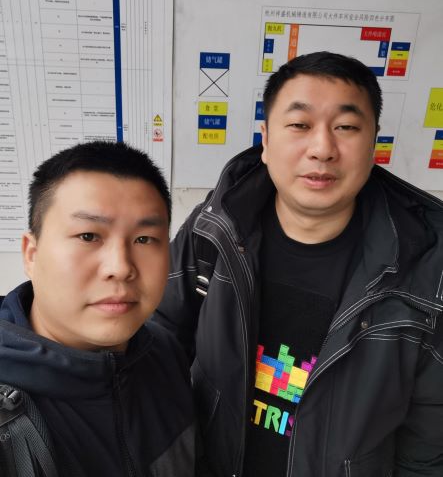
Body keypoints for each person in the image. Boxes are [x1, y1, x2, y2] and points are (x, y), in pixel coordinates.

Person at [153, 51, 443, 477]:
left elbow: (428, 445)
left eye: (346, 127)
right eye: (299, 125)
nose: (322, 149)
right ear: (266, 140)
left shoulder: (427, 264)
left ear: (374, 143)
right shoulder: (215, 228)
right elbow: (158, 347)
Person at [0, 141, 196, 476]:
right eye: (89, 236)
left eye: (144, 239)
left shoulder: (165, 353)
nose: (120, 267)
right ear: (32, 254)